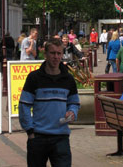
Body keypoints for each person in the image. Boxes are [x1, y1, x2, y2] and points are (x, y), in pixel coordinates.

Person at [19, 38, 80, 167]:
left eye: (59, 53)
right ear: (45, 54)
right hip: (38, 137)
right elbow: (24, 105)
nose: (56, 57)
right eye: (52, 53)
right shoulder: (34, 78)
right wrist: (30, 131)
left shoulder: (68, 79)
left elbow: (74, 102)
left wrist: (72, 112)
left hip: (61, 137)